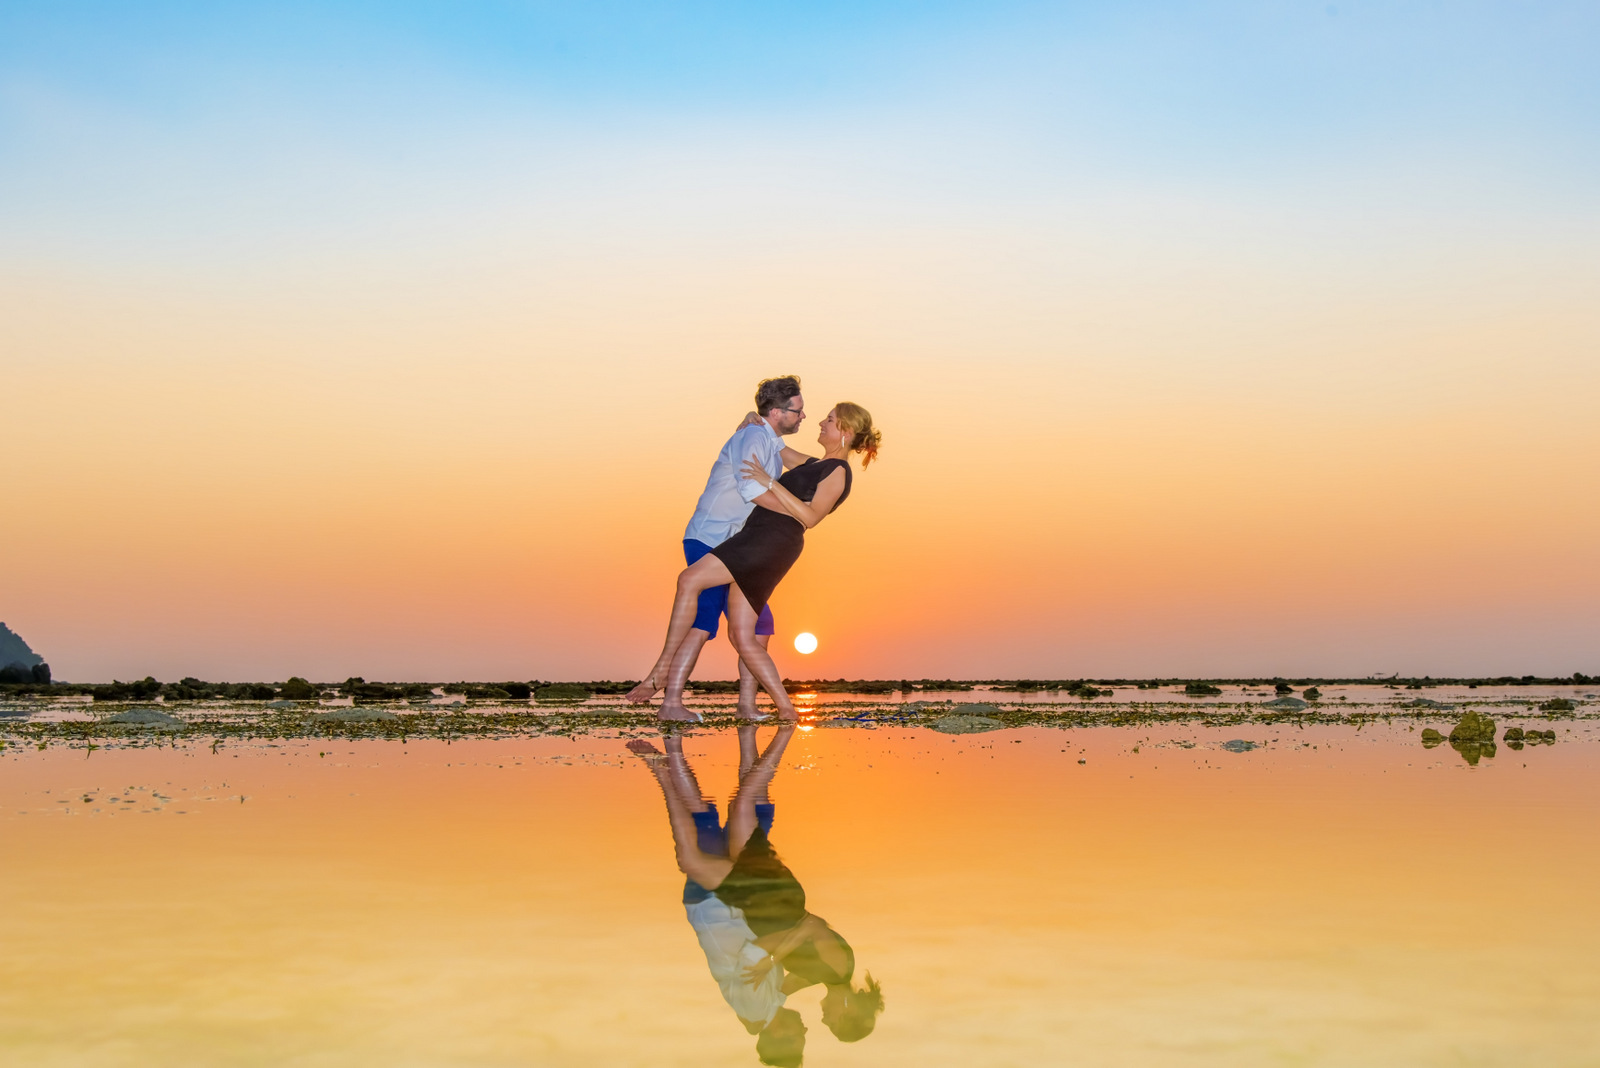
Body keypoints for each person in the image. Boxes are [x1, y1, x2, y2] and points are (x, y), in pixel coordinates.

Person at [627, 726, 885, 1063]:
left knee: (725, 819)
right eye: (831, 1022)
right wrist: (773, 963)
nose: (818, 1022)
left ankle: (739, 728)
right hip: (769, 899)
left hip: (753, 903)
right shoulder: (838, 970)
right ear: (847, 1009)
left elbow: (775, 991)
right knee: (729, 820)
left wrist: (755, 1020)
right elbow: (810, 926)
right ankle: (782, 730)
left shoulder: (819, 978)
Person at [630, 401, 881, 721]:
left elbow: (811, 517)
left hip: (769, 544)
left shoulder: (839, 473)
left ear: (845, 431)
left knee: (689, 580)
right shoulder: (813, 464)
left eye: (829, 420)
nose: (820, 422)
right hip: (759, 537)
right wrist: (754, 420)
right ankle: (787, 710)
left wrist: (770, 481)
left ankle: (661, 671)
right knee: (742, 636)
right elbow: (774, 445)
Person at [627, 376, 812, 722]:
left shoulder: (769, 441)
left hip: (735, 546)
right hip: (710, 537)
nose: (803, 416)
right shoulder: (754, 436)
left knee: (761, 624)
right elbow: (750, 491)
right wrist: (799, 513)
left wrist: (841, 460)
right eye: (798, 411)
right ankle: (670, 701)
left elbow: (810, 464)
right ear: (776, 412)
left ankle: (745, 704)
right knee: (704, 620)